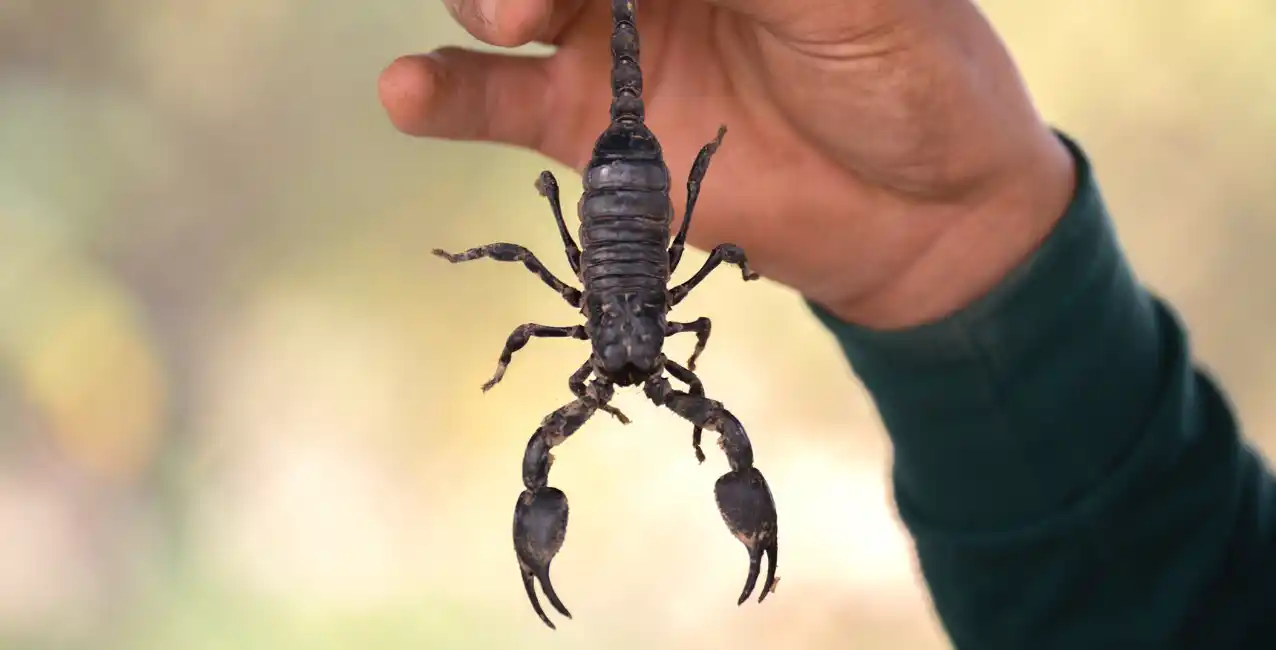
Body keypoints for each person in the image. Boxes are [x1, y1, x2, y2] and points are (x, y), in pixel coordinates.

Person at [377, 0, 1275, 646]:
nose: (620, 386)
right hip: (640, 219)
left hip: (621, 219)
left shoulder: (605, 358)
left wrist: (955, 253)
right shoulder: (666, 354)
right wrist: (965, 251)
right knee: (690, 298)